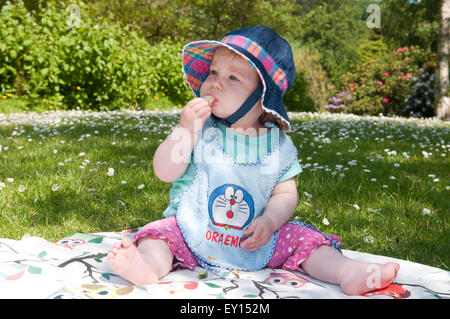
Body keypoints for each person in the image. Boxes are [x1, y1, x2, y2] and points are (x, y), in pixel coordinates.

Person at [107, 26, 399, 295]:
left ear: (262, 97)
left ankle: (348, 272)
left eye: (232, 77)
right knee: (159, 236)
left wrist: (270, 222)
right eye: (213, 72)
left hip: (258, 241)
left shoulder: (277, 146)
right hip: (191, 231)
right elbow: (164, 172)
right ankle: (146, 267)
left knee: (303, 239)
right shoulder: (200, 130)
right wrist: (185, 130)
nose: (214, 84)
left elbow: (285, 194)